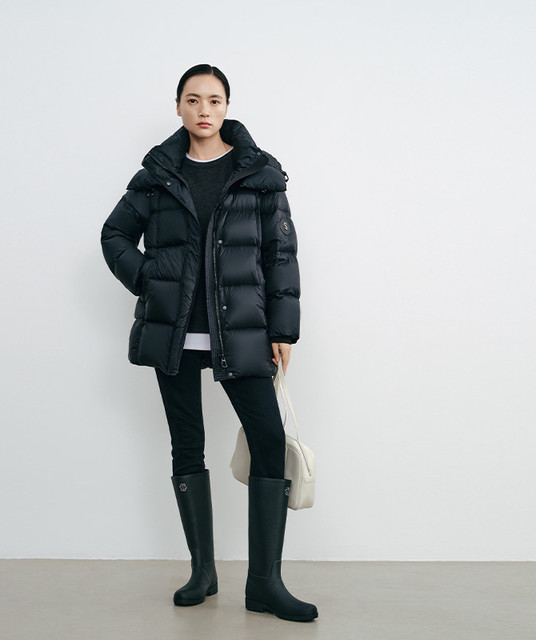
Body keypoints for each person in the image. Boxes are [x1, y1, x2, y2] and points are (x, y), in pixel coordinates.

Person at [100, 64, 317, 623]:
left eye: (214, 100)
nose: (204, 109)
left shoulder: (258, 173)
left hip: (239, 331)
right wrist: (150, 280)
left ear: (227, 107)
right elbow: (114, 234)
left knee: (269, 441)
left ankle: (265, 583)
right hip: (174, 332)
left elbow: (280, 256)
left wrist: (282, 329)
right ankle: (202, 572)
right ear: (178, 107)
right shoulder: (157, 175)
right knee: (187, 445)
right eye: (193, 99)